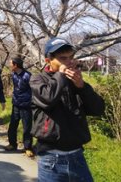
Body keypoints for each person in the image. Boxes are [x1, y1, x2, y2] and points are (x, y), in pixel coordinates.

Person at [30, 37, 105, 181]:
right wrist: (61, 75)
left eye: (71, 57)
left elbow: (98, 109)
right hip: (51, 159)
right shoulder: (37, 80)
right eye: (63, 58)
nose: (69, 62)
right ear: (48, 60)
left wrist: (82, 87)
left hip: (77, 156)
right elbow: (48, 99)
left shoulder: (75, 82)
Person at [4, 57, 34, 157]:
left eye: (11, 64)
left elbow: (33, 90)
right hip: (16, 104)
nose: (9, 65)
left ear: (16, 65)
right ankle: (12, 144)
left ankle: (28, 148)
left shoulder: (27, 76)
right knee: (13, 125)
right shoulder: (13, 74)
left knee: (27, 127)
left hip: (26, 105)